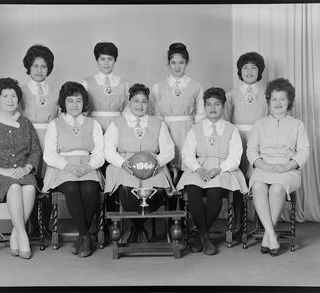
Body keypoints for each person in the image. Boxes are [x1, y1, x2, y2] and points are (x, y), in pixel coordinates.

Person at [0, 78, 42, 259]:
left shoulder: (25, 123)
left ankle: (15, 234)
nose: (10, 100)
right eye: (5, 96)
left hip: (21, 171)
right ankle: (23, 235)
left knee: (28, 187)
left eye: (14, 96)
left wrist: (27, 168)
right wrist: (1, 171)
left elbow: (35, 150)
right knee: (13, 187)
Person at [177, 87, 248, 255]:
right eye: (208, 104)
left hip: (223, 169)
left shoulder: (232, 130)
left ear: (223, 107)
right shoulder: (196, 128)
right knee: (193, 190)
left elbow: (235, 156)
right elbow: (187, 153)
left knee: (215, 192)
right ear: (204, 107)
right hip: (199, 166)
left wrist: (219, 169)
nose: (212, 108)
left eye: (217, 104)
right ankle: (205, 236)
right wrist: (198, 169)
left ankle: (199, 235)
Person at [104, 83, 175, 242]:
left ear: (148, 103)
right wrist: (122, 163)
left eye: (143, 101)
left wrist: (159, 162)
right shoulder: (117, 123)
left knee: (159, 192)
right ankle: (139, 227)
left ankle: (137, 227)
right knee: (127, 192)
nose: (140, 105)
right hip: (126, 167)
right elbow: (108, 149)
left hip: (152, 167)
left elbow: (169, 149)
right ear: (129, 102)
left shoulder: (158, 123)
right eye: (136, 101)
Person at [247, 78, 309, 256]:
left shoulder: (298, 125)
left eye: (282, 99)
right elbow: (251, 150)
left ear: (289, 101)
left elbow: (304, 151)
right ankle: (271, 236)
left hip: (288, 169)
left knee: (276, 189)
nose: (278, 103)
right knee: (258, 185)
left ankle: (268, 235)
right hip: (263, 166)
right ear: (268, 101)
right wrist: (262, 164)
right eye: (274, 99)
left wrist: (287, 166)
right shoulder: (260, 124)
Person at [42, 81, 105, 258]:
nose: (75, 105)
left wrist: (89, 166)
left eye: (78, 100)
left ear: (84, 102)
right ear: (64, 103)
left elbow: (100, 153)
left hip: (87, 164)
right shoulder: (55, 124)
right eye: (70, 101)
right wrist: (67, 166)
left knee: (89, 188)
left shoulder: (93, 124)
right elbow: (49, 154)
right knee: (71, 188)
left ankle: (82, 237)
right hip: (62, 165)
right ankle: (86, 236)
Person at [151, 42, 205, 214]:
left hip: (187, 130)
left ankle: (183, 217)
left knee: (185, 170)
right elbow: (155, 114)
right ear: (168, 64)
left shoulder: (196, 86)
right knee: (167, 170)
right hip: (165, 130)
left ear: (186, 63)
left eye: (181, 62)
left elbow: (201, 115)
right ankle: (169, 215)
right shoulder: (158, 86)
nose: (177, 66)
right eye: (173, 62)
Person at [222, 51, 268, 232]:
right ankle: (238, 224)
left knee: (260, 179)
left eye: (254, 67)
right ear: (240, 71)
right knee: (238, 181)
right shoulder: (231, 95)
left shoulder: (267, 94)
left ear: (260, 71)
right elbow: (225, 122)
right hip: (238, 141)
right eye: (245, 68)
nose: (249, 71)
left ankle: (262, 221)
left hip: (260, 141)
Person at [21, 44, 59, 237]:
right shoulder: (20, 91)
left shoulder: (56, 90)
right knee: (31, 181)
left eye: (43, 66)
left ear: (49, 68)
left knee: (47, 182)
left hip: (50, 139)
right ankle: (31, 225)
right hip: (28, 139)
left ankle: (44, 225)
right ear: (28, 67)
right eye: (35, 66)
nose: (39, 70)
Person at [81, 41, 130, 133]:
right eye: (102, 59)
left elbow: (129, 108)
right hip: (93, 125)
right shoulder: (87, 83)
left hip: (118, 125)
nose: (106, 63)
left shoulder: (124, 83)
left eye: (110, 59)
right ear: (97, 60)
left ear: (115, 60)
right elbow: (82, 108)